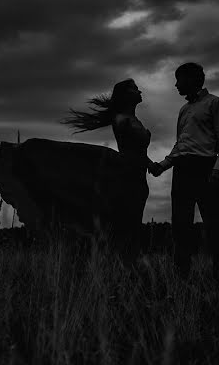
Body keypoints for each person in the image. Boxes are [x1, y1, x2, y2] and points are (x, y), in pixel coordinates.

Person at [149, 62, 219, 281]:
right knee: (180, 225)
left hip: (205, 167)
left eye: (179, 80)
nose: (176, 85)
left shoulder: (215, 103)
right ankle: (181, 276)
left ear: (192, 79)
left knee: (214, 224)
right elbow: (181, 144)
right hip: (182, 170)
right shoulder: (184, 110)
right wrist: (163, 165)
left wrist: (218, 168)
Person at [62, 78, 154, 257]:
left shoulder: (134, 119)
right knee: (127, 228)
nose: (140, 92)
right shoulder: (121, 120)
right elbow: (129, 153)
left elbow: (138, 151)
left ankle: (124, 266)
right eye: (135, 89)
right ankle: (122, 265)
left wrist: (150, 164)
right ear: (126, 95)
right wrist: (144, 163)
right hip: (128, 179)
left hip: (139, 179)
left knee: (133, 226)